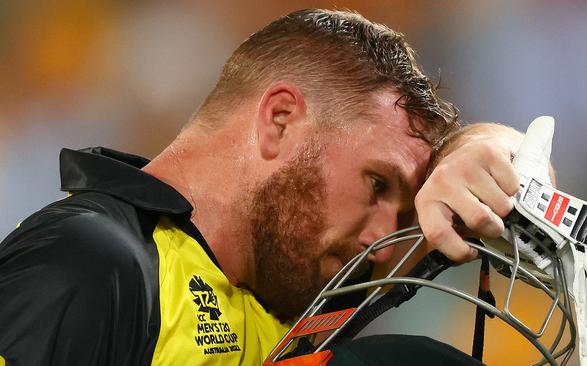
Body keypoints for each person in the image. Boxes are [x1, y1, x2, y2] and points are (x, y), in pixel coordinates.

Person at [0, 9, 521, 366]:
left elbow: (515, 174)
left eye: (403, 208)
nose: (383, 236)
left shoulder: (298, 305)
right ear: (279, 120)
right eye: (377, 183)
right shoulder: (94, 260)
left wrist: (473, 147)